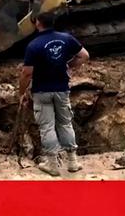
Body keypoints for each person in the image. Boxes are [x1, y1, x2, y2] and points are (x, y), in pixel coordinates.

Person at [18, 12, 89, 176]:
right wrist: (69, 65)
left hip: (42, 91)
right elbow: (84, 56)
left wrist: (22, 92)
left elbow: (27, 73)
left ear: (37, 23)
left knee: (47, 127)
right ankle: (73, 162)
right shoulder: (66, 38)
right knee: (65, 123)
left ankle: (52, 165)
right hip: (62, 89)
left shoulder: (34, 45)